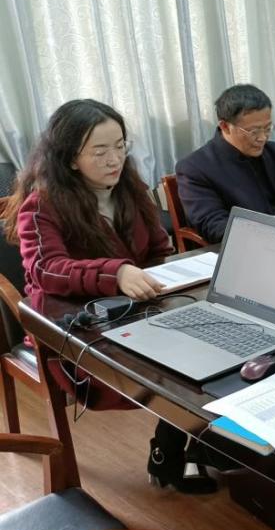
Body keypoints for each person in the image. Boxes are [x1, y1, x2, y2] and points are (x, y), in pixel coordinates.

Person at [3, 99, 215, 493]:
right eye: (99, 151)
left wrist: (163, 275)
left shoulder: (129, 188)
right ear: (70, 158)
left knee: (214, 344)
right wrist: (115, 273)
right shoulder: (42, 204)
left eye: (120, 146)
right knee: (179, 365)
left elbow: (158, 248)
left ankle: (186, 445)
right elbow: (46, 270)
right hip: (73, 329)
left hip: (136, 308)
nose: (114, 159)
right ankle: (180, 448)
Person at [176, 84, 275, 243]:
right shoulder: (196, 168)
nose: (262, 138)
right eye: (254, 131)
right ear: (225, 126)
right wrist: (268, 230)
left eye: (267, 128)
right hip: (249, 245)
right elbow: (213, 224)